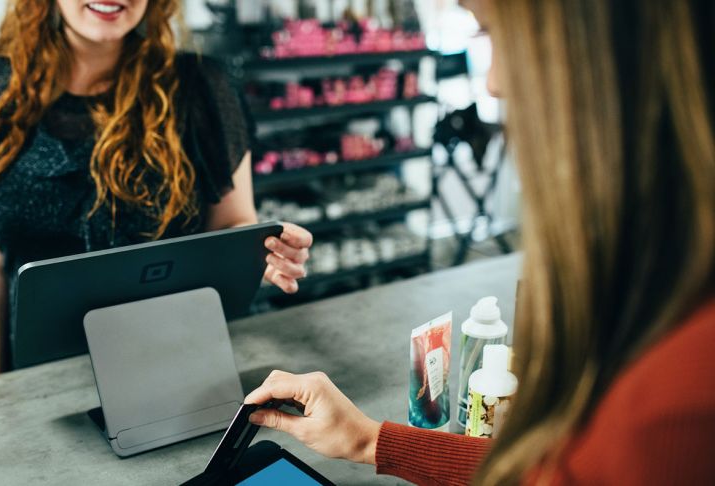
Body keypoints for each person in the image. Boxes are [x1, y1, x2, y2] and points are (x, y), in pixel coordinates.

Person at [245, 0, 715, 484]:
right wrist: (369, 439)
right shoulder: (657, 303)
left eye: (494, 32)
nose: (493, 82)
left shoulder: (677, 397)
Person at [0, 0, 313, 381]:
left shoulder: (201, 86)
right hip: (38, 375)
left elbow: (233, 222)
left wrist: (263, 249)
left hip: (178, 362)